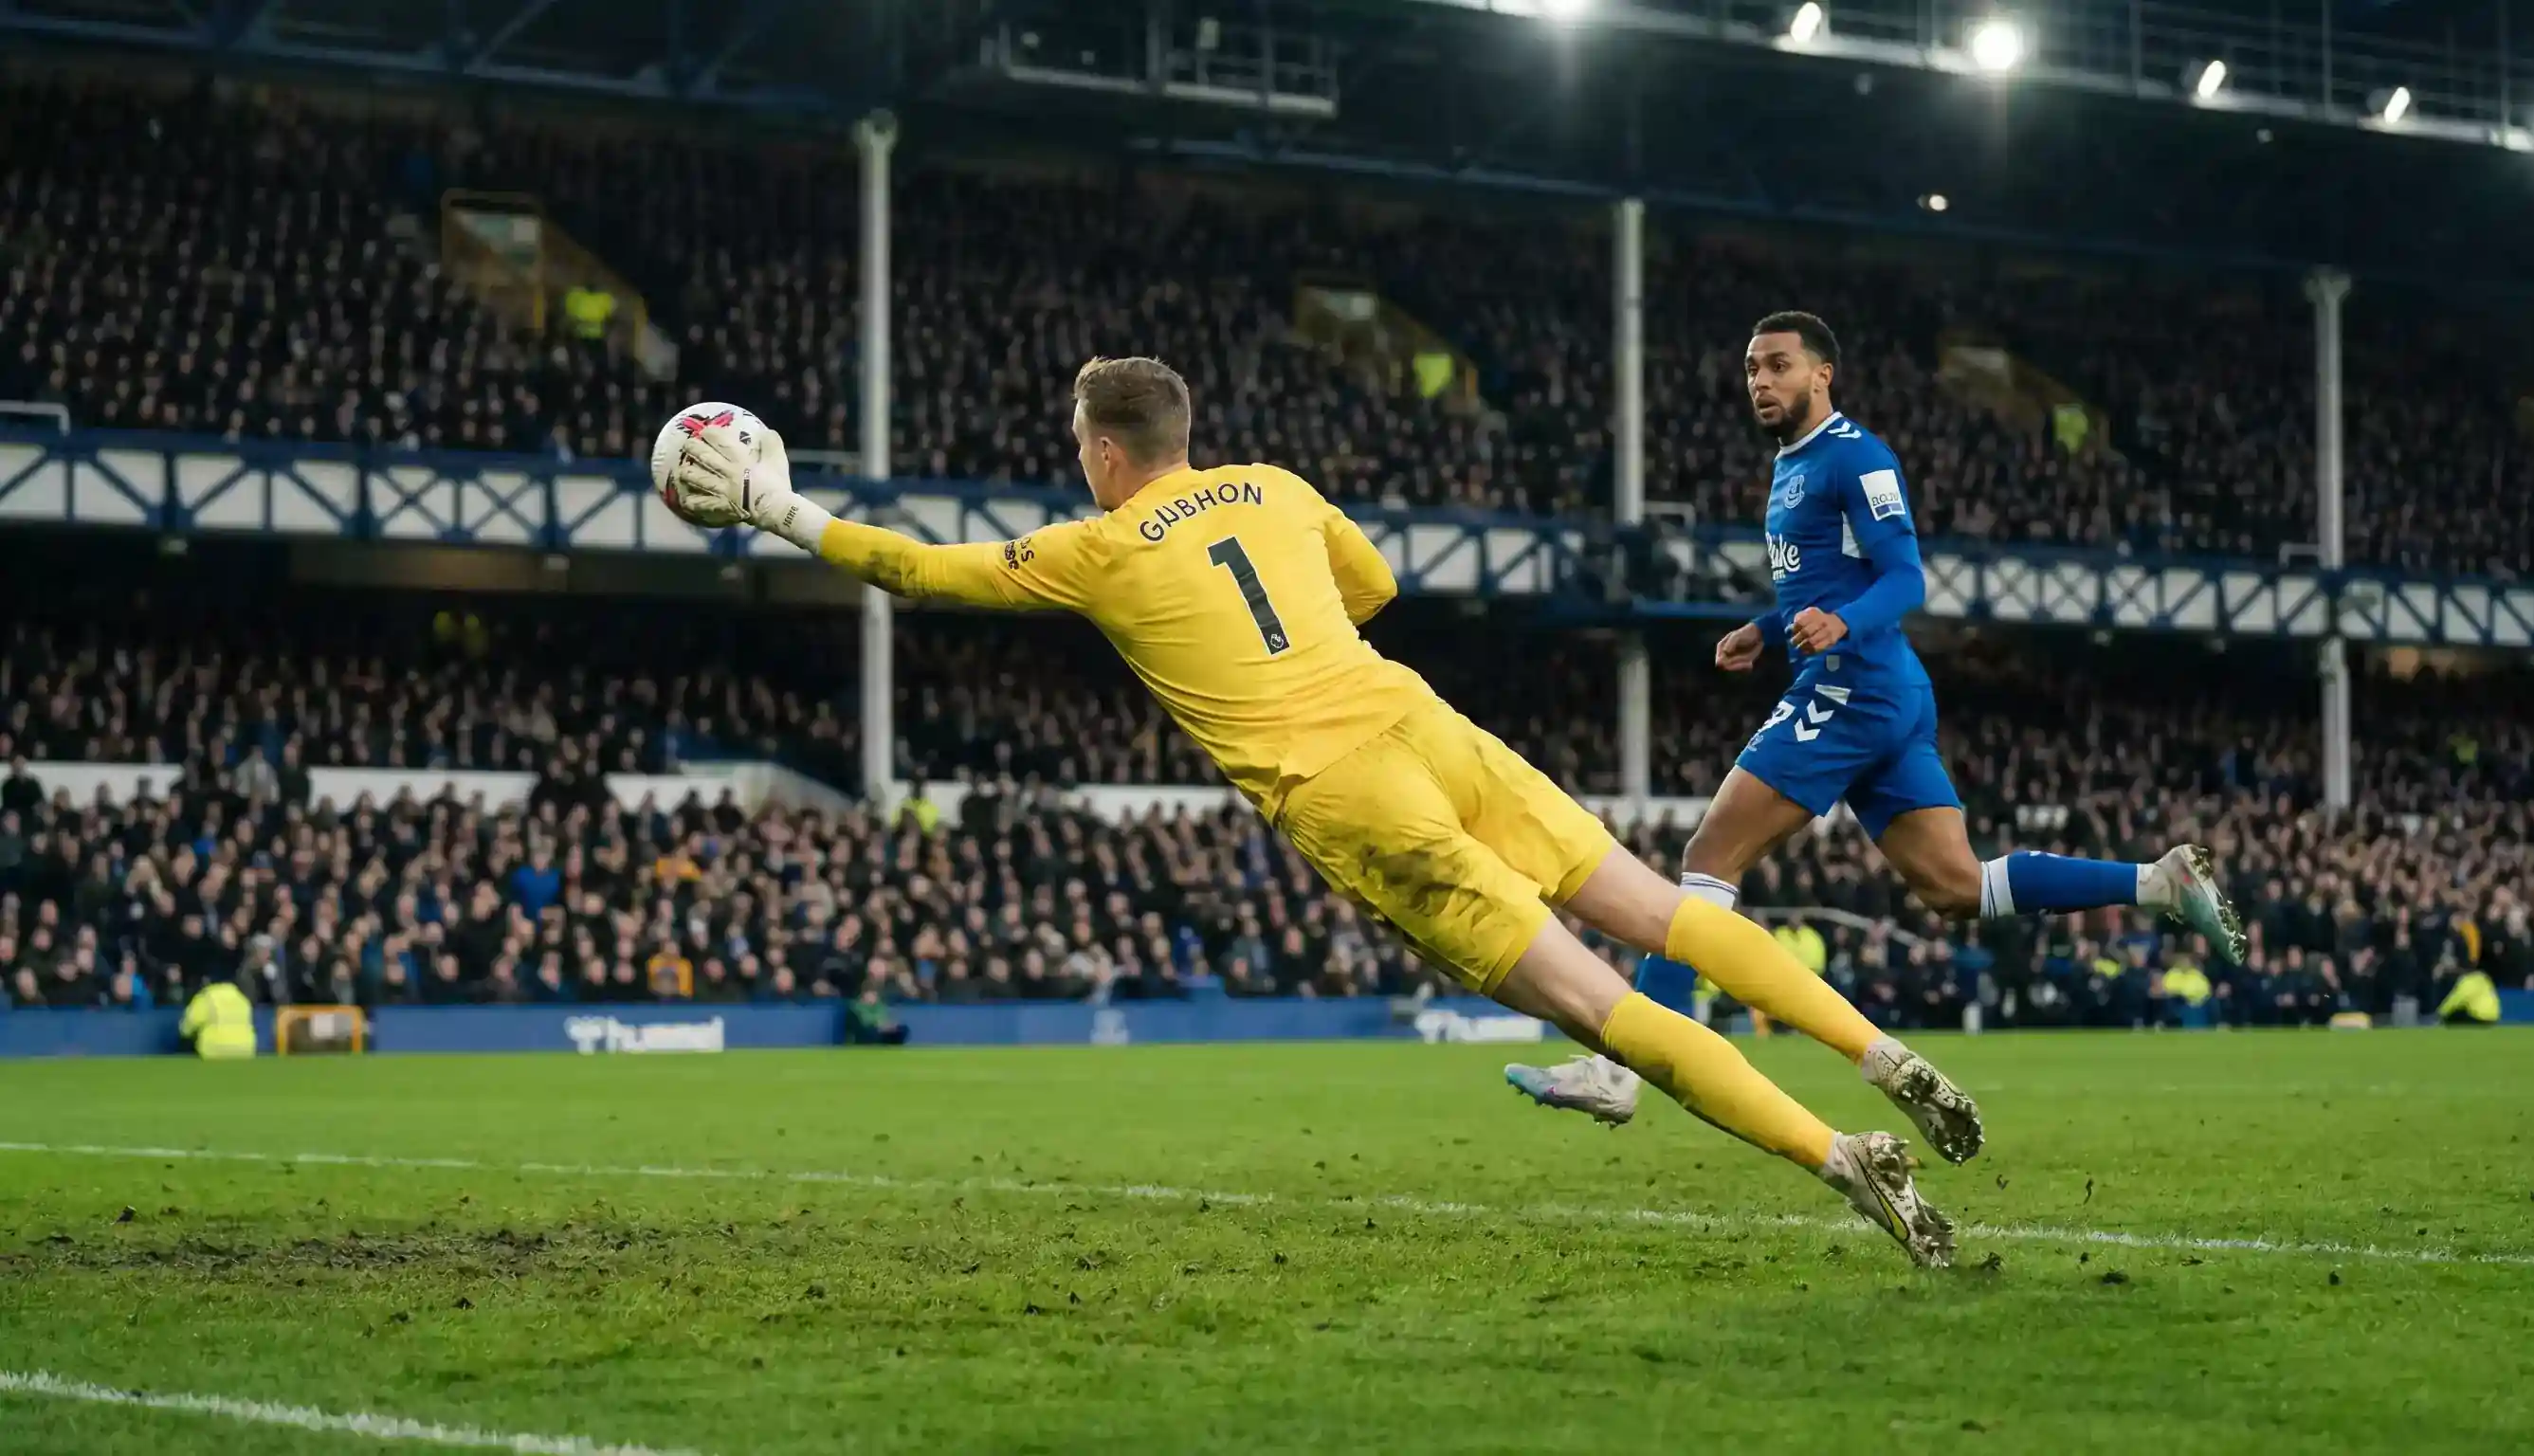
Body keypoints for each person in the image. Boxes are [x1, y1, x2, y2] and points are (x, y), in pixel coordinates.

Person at [666, 355, 1977, 1266]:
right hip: (1425, 719)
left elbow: (918, 569)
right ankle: (1885, 1057)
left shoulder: (1101, 548)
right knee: (1660, 905)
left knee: (1602, 1008)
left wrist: (783, 510)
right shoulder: (1277, 488)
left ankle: (1839, 1157)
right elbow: (1378, 582)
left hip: (1348, 787)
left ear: (1108, 453)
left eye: (1083, 448)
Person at [1508, 312, 2246, 1126]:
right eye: (1752, 368)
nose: (1760, 381)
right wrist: (1768, 626)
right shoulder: (1792, 467)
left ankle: (1626, 1069)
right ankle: (2157, 883)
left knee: (1708, 856)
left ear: (1822, 374)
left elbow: (1905, 580)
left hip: (1850, 691)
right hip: (1877, 692)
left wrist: (1841, 627)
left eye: (1778, 366)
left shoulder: (1856, 456)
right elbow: (1825, 580)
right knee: (1955, 887)